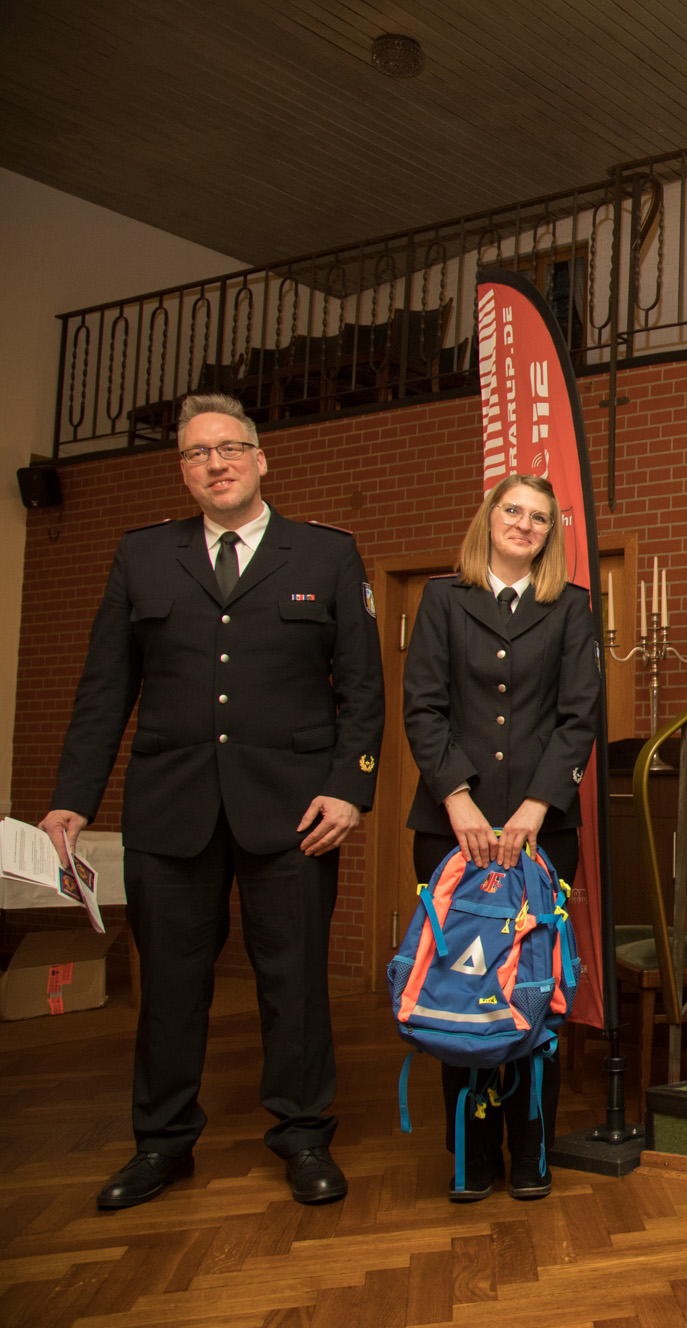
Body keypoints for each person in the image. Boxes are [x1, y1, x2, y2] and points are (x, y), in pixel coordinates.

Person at [41, 393, 384, 1210]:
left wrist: (350, 787)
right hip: (169, 810)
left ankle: (303, 1134)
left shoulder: (326, 554)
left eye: (229, 447)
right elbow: (104, 688)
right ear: (184, 472)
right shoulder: (143, 556)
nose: (215, 463)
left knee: (293, 983)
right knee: (168, 987)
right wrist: (71, 798)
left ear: (261, 459)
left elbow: (363, 689)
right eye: (197, 453)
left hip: (295, 813)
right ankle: (161, 1142)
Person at [401, 473, 601, 1202]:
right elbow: (422, 707)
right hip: (450, 829)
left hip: (544, 832)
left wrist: (536, 806)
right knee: (462, 987)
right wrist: (456, 798)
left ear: (551, 534)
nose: (524, 524)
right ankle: (471, 1156)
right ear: (489, 518)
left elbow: (579, 715)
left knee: (533, 990)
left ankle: (531, 1151)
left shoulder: (570, 607)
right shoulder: (442, 599)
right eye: (512, 510)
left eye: (539, 517)